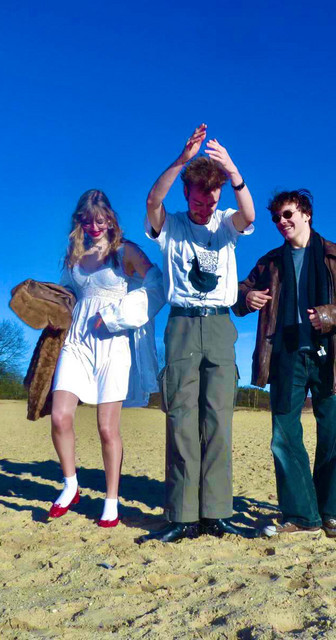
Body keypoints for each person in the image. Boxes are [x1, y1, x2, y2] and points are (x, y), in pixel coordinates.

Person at [138, 124, 255, 543]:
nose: (206, 207)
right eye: (199, 199)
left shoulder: (226, 223)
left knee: (219, 420)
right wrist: (181, 160)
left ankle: (216, 513)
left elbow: (249, 215)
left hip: (221, 326)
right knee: (181, 419)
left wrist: (234, 172)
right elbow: (153, 201)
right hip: (183, 325)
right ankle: (182, 515)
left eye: (213, 200)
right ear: (186, 194)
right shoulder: (169, 226)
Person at [234, 189, 336, 537]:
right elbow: (237, 293)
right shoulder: (269, 262)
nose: (281, 222)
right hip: (285, 355)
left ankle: (330, 514)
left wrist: (327, 315)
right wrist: (247, 296)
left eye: (288, 214)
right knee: (284, 436)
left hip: (334, 355)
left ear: (306, 214)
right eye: (276, 217)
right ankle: (301, 516)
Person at [50, 189, 164, 527]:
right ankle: (71, 485)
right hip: (76, 343)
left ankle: (111, 499)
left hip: (113, 346)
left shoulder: (125, 252)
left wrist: (116, 315)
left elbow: (157, 286)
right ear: (79, 222)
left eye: (100, 220)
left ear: (111, 219)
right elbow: (65, 296)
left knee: (106, 428)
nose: (94, 227)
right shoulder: (74, 256)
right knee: (59, 417)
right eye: (87, 221)